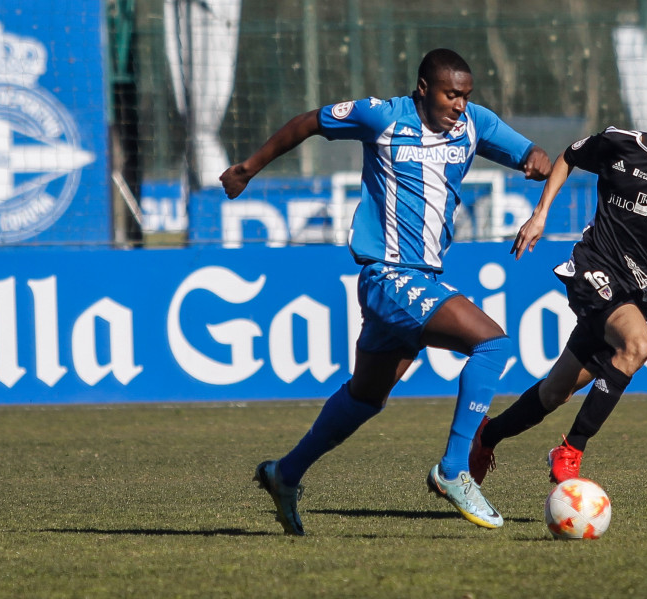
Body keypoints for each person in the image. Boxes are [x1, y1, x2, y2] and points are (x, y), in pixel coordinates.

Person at [220, 48, 551, 535]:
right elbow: (311, 121)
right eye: (449, 94)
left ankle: (284, 474)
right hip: (389, 274)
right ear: (423, 89)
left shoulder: (473, 123)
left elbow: (528, 152)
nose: (459, 104)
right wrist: (249, 167)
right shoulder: (383, 117)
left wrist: (536, 158)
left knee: (365, 397)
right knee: (491, 343)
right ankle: (455, 468)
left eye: (465, 95)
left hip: (421, 278)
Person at [469, 73, 647, 487]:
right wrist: (541, 214)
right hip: (593, 268)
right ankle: (571, 449)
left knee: (555, 393)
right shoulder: (618, 142)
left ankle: (486, 436)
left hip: (639, 296)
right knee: (638, 345)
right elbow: (568, 157)